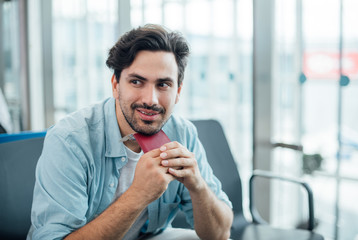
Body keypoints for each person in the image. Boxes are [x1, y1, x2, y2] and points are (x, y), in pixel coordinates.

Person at [27, 24, 233, 240]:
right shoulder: (70, 140)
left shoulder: (182, 133)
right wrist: (138, 195)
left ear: (178, 92)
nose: (150, 100)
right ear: (116, 84)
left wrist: (198, 186)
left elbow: (219, 234)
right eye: (136, 81)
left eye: (163, 84)